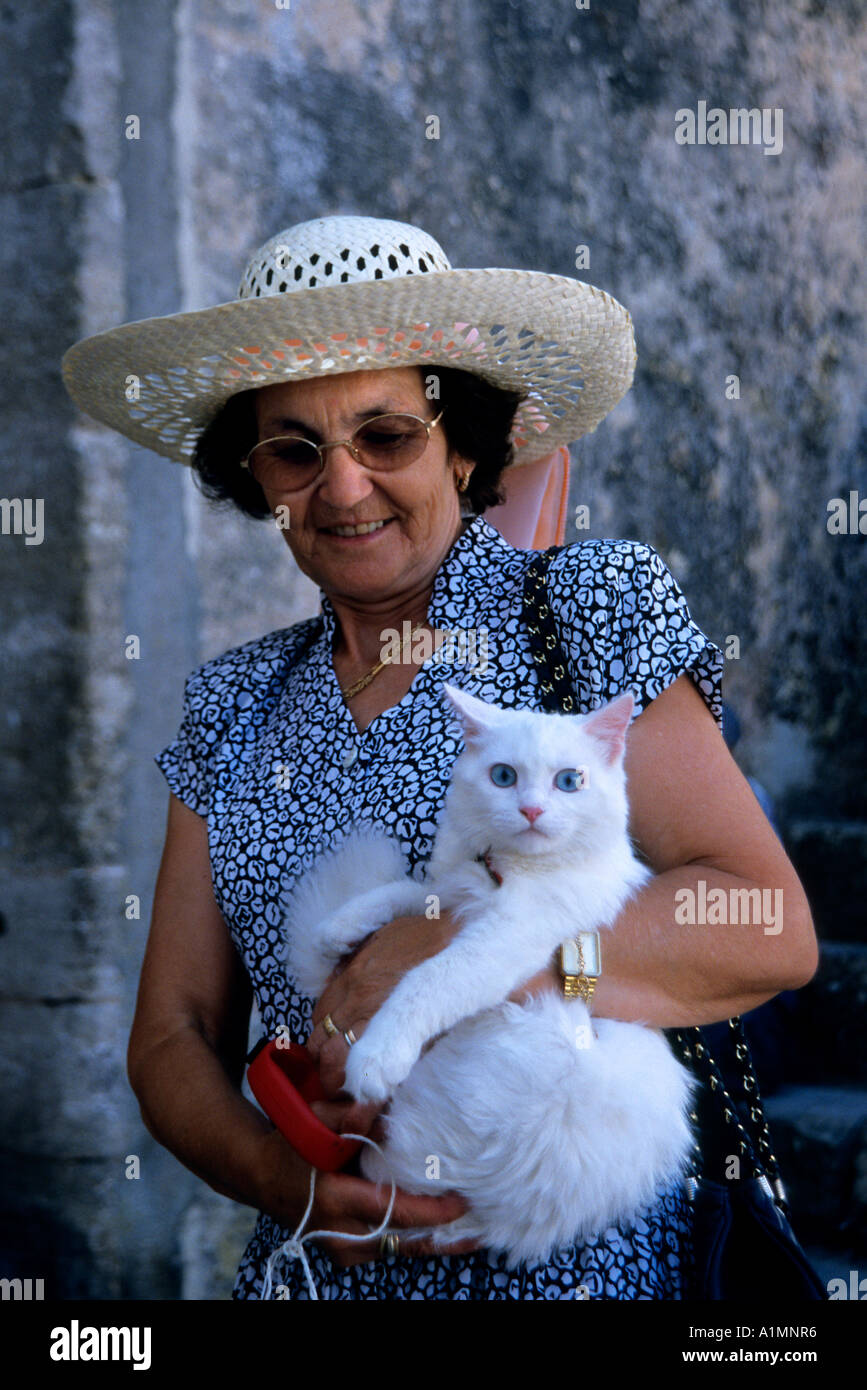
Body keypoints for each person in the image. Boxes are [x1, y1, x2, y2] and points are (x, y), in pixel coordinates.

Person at [62, 215, 818, 1300]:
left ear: (461, 442)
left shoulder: (587, 610)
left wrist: (474, 950)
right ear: (259, 477)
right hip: (322, 1276)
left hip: (580, 1270)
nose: (344, 487)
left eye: (386, 435)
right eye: (295, 448)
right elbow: (174, 1033)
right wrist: (297, 1187)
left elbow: (769, 926)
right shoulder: (232, 704)